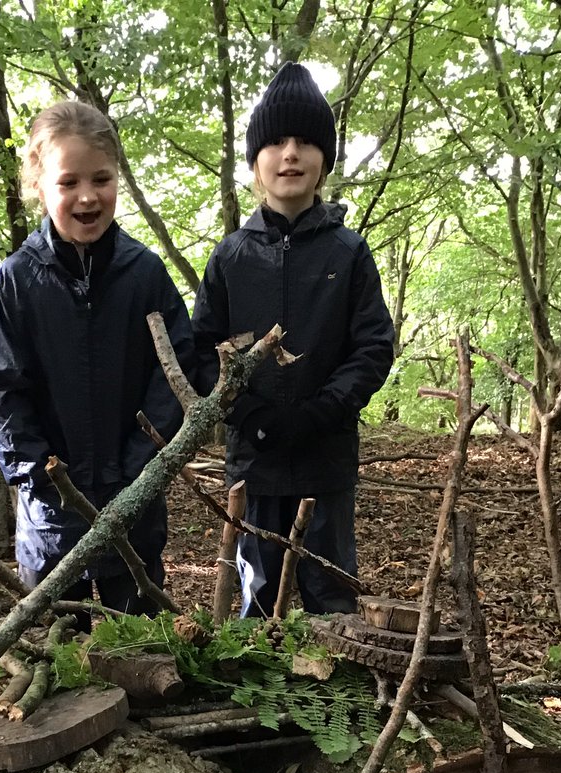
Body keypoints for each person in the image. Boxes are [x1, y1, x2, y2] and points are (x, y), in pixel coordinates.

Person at [192, 62, 395, 618]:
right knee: (257, 598)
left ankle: (339, 703)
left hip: (324, 461)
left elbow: (373, 345)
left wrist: (322, 410)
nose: (290, 154)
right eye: (277, 142)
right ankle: (257, 705)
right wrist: (248, 413)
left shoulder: (347, 253)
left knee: (331, 594)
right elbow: (202, 348)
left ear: (324, 158)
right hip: (253, 465)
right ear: (256, 161)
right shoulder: (231, 257)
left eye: (305, 141)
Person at [0, 101, 194, 620]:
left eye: (101, 179)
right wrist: (43, 478)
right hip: (51, 518)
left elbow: (176, 374)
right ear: (40, 185)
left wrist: (140, 469)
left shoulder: (145, 275)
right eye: (69, 182)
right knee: (58, 656)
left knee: (142, 646)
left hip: (133, 504)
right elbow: (1, 390)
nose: (87, 197)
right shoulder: (17, 281)